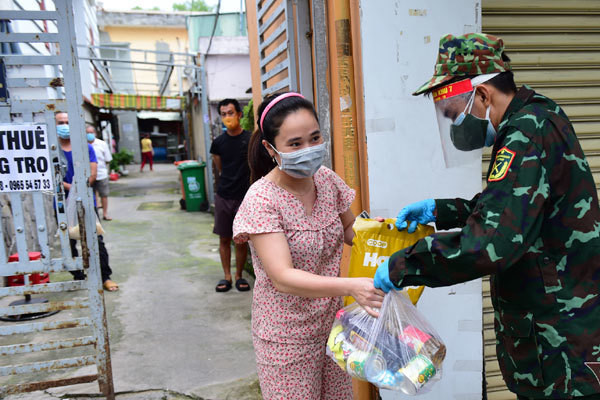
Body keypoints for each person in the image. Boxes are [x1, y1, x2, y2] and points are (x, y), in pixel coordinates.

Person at [373, 33, 600, 399]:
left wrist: (405, 265)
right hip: (560, 329)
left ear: (482, 95)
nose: (457, 125)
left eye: (455, 113)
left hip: (560, 342)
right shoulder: (539, 115)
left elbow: (493, 243)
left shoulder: (525, 133)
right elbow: (515, 206)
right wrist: (441, 210)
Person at [232, 92, 385, 400]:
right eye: (296, 144)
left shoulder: (326, 180)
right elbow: (282, 277)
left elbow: (349, 229)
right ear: (271, 148)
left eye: (315, 138)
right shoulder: (262, 199)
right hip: (285, 337)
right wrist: (351, 286)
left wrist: (386, 233)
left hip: (333, 328)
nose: (309, 150)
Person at [55, 112, 119, 292]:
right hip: (60, 206)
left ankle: (105, 276)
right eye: (61, 122)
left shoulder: (85, 148)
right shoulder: (50, 149)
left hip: (85, 202)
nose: (65, 125)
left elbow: (90, 177)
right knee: (68, 242)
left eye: (68, 122)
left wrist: (65, 186)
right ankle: (78, 276)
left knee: (95, 240)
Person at [209, 98, 252, 292]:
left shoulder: (250, 140)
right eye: (224, 114)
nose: (228, 117)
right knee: (224, 238)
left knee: (241, 239)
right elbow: (219, 168)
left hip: (245, 197)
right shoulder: (218, 143)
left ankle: (239, 276)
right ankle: (226, 276)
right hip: (224, 195)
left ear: (239, 115)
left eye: (231, 113)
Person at [87, 125, 113, 221]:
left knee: (104, 195)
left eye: (91, 132)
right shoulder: (82, 145)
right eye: (87, 132)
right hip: (88, 176)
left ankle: (105, 214)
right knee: (91, 196)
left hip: (101, 174)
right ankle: (94, 215)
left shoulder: (102, 144)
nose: (89, 135)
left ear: (95, 133)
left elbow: (107, 159)